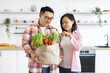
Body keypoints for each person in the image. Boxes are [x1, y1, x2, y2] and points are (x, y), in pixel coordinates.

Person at [22, 6, 62, 73]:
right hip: (35, 67)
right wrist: (30, 53)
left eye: (51, 18)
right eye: (46, 17)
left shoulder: (54, 30)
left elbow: (60, 46)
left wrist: (60, 57)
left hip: (51, 68)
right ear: (40, 15)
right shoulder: (30, 28)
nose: (48, 20)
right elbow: (25, 43)